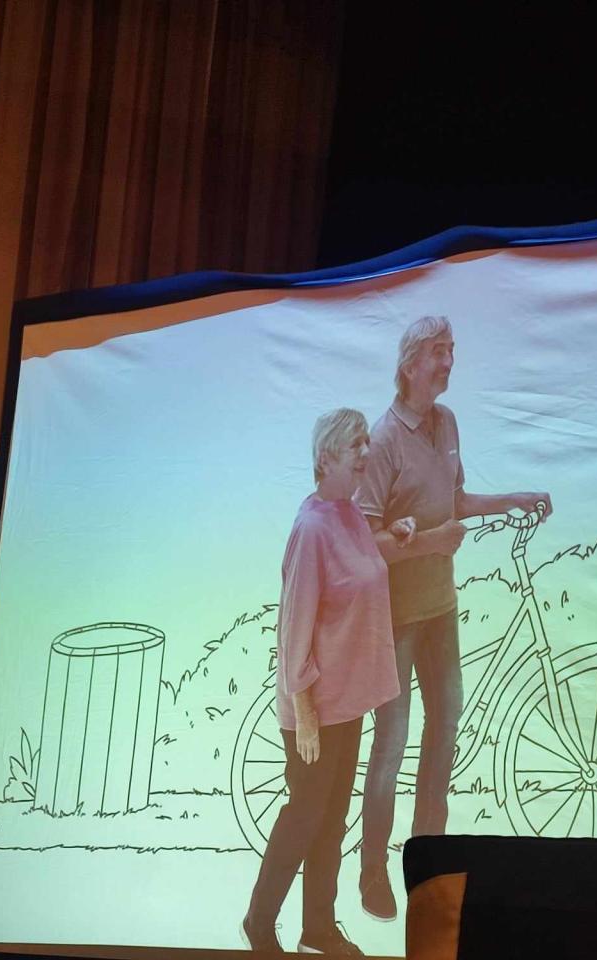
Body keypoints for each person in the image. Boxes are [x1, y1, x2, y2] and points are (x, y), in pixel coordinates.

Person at [355, 315, 552, 921]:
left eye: (452, 350)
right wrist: (430, 542)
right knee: (391, 745)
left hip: (441, 609)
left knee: (444, 733)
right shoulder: (384, 439)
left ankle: (429, 864)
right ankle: (371, 872)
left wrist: (511, 498)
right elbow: (365, 542)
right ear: (411, 363)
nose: (448, 361)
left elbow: (455, 501)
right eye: (439, 352)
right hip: (396, 619)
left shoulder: (448, 424)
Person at [242, 408, 416, 956]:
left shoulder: (348, 513)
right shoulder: (312, 527)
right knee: (304, 815)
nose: (366, 451)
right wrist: (306, 715)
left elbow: (360, 564)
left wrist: (396, 535)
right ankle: (258, 921)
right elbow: (293, 626)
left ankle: (317, 928)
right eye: (355, 444)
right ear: (326, 458)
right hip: (315, 707)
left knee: (333, 818)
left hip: (347, 702)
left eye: (366, 441)